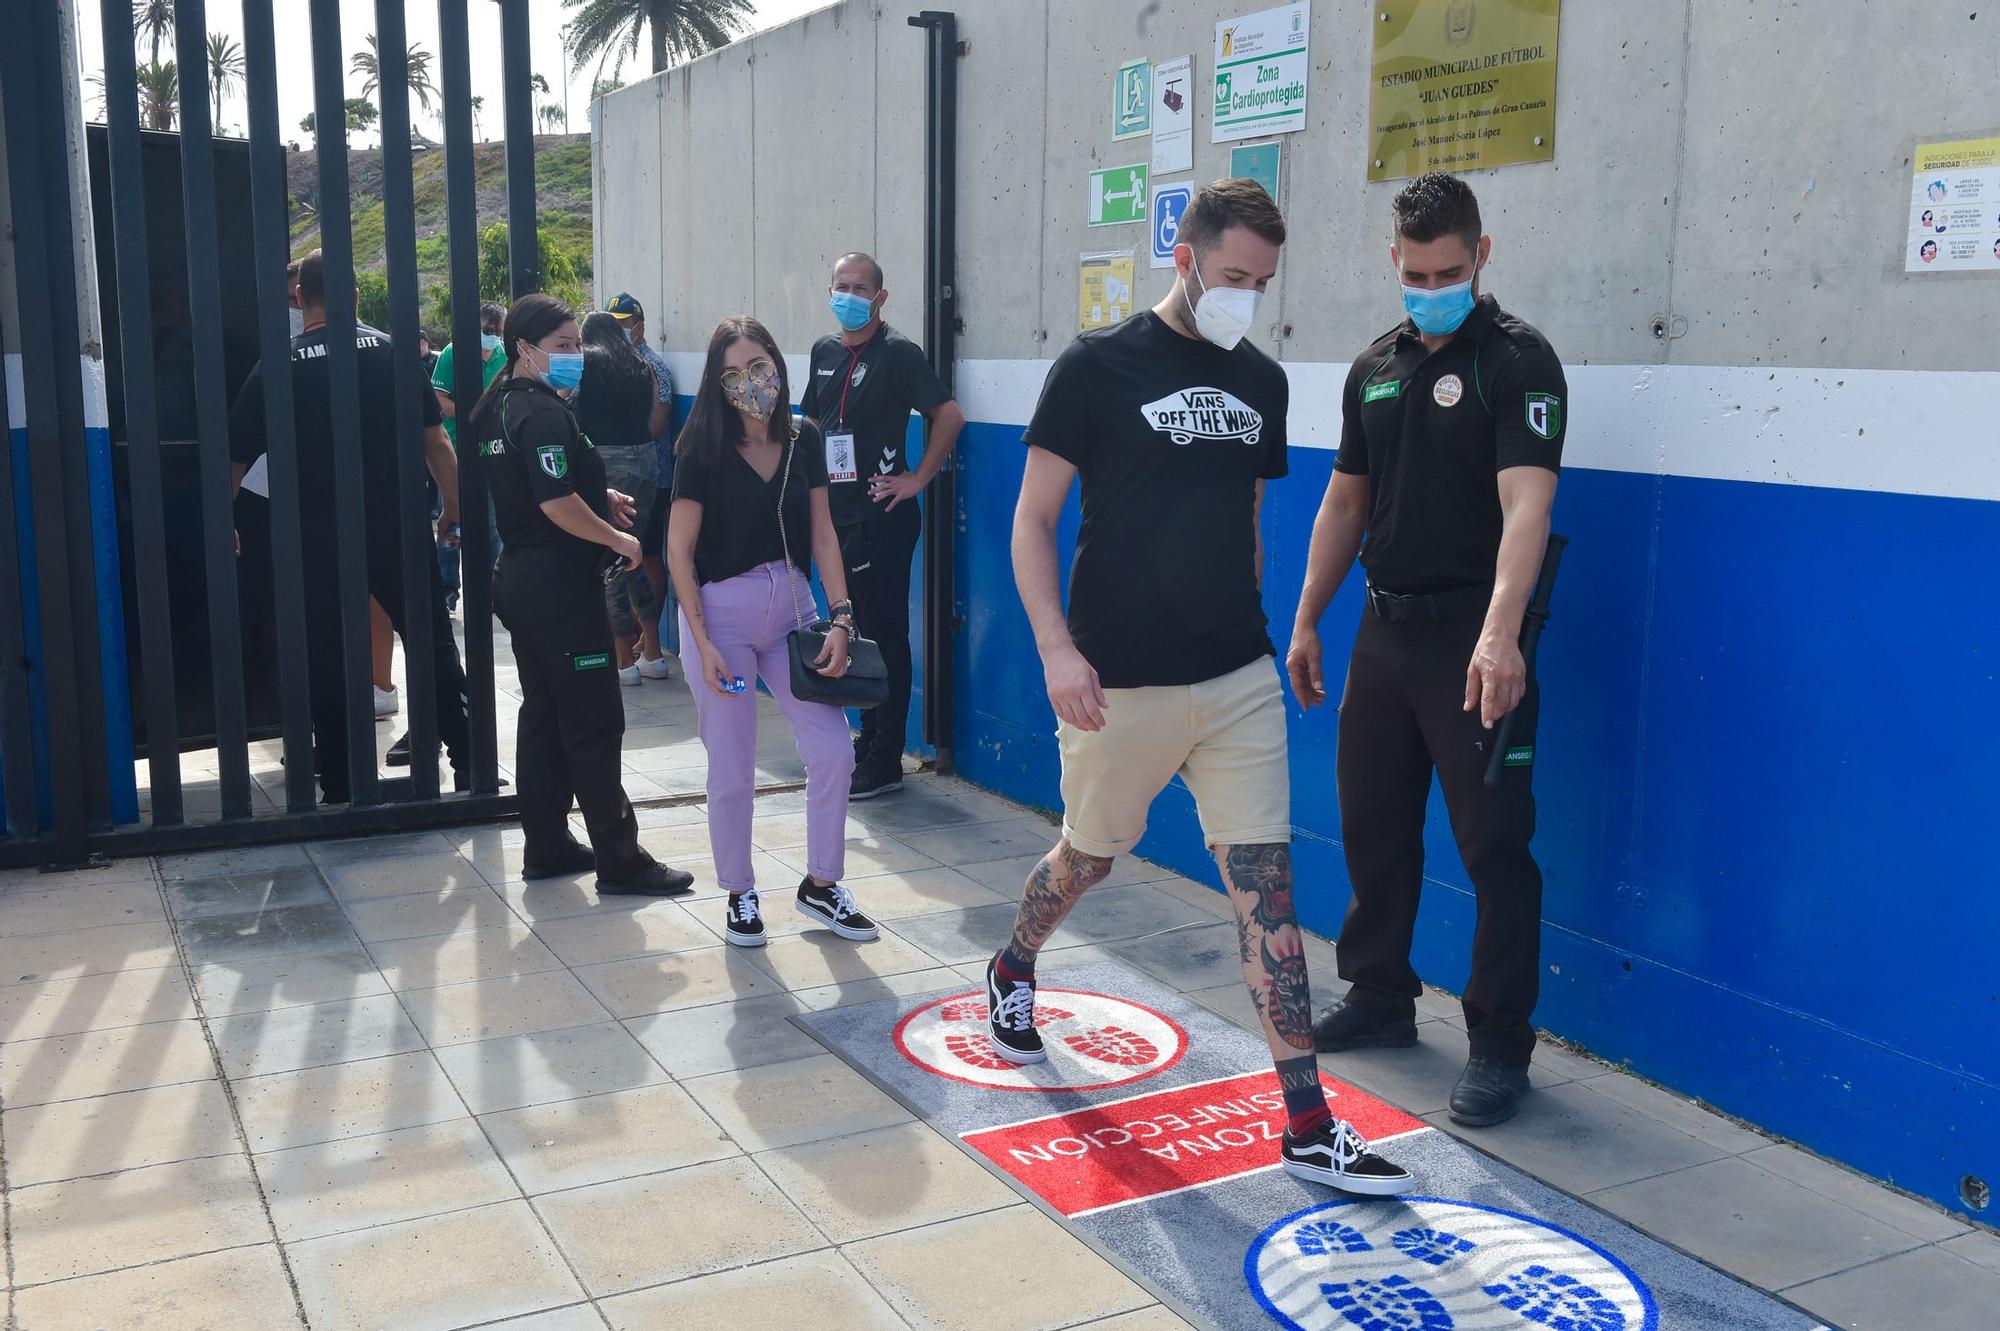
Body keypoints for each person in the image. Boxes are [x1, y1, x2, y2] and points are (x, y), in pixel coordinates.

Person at [984, 180, 1412, 1196]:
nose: (1246, 297)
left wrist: (1266, 632)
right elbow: (1031, 519)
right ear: (1182, 257)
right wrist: (1055, 651)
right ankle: (1013, 962)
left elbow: (1248, 521)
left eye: (1261, 283)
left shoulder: (1260, 382)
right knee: (1085, 856)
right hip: (1113, 678)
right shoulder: (1094, 367)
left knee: (1265, 888)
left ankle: (1305, 1121)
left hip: (1233, 673)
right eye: (1231, 277)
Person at [1289, 171, 1567, 1130]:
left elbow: (1528, 503)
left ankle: (1498, 1043)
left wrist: (1499, 636)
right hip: (1382, 628)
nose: (1430, 284)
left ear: (1481, 257)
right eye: (1414, 271)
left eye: (1448, 268)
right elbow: (1343, 501)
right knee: (1372, 819)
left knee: (1494, 845)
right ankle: (1378, 994)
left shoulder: (1516, 361)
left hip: (1471, 634)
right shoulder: (1375, 364)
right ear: (1393, 262)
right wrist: (1305, 617)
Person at [469, 294, 694, 896]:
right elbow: (554, 503)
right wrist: (617, 536)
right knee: (594, 721)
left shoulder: (503, 408)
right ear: (525, 348)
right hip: (559, 590)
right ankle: (621, 859)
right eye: (563, 346)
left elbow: (550, 489)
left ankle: (546, 845)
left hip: (523, 579)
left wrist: (601, 501)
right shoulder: (541, 413)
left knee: (543, 714)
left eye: (576, 345)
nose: (575, 357)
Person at [227, 249, 471, 801]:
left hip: (313, 535)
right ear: (356, 297)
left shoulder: (277, 364)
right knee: (431, 645)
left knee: (327, 651)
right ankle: (469, 766)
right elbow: (436, 443)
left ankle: (340, 781)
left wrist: (226, 522)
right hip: (395, 524)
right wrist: (455, 509)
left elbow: (234, 462)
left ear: (298, 298)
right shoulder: (393, 355)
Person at [667, 317, 879, 947]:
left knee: (834, 751)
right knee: (734, 767)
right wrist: (700, 643)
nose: (750, 384)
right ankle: (739, 891)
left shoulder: (804, 438)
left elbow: (822, 535)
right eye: (732, 375)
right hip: (720, 619)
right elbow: (679, 551)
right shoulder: (700, 449)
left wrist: (840, 616)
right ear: (717, 384)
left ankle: (821, 885)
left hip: (793, 611)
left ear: (778, 368)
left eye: (759, 368)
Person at [798, 253, 966, 800]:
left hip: (882, 518)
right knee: (846, 628)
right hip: (834, 518)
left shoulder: (899, 355)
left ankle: (885, 756)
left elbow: (950, 416)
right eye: (840, 285)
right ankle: (863, 744)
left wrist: (917, 477)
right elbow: (807, 425)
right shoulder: (824, 352)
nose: (848, 295)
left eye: (859, 287)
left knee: (881, 634)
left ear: (880, 297)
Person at [575, 309, 671, 685]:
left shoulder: (587, 364)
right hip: (645, 459)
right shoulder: (641, 365)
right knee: (634, 554)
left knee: (610, 557)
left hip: (608, 462)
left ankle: (623, 662)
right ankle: (653, 653)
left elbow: (576, 415)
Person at [606, 292, 677, 672]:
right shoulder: (604, 365)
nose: (619, 331)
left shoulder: (653, 367)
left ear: (641, 326)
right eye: (613, 324)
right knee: (620, 555)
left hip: (653, 478)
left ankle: (643, 639)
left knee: (645, 556)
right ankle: (630, 638)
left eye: (625, 324)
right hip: (617, 480)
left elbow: (658, 423)